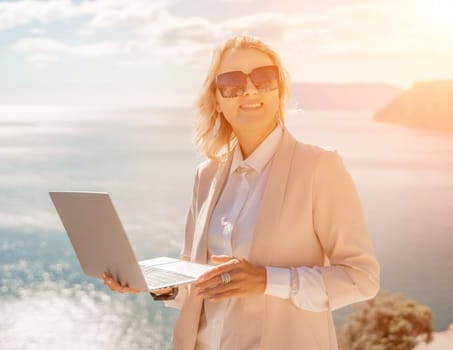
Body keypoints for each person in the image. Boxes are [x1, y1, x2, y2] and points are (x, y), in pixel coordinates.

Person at [102, 35, 380, 350]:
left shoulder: (319, 167)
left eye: (263, 78)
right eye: (233, 82)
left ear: (280, 91)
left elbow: (361, 278)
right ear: (217, 99)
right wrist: (152, 283)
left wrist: (267, 280)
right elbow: (199, 283)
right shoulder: (205, 176)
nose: (249, 90)